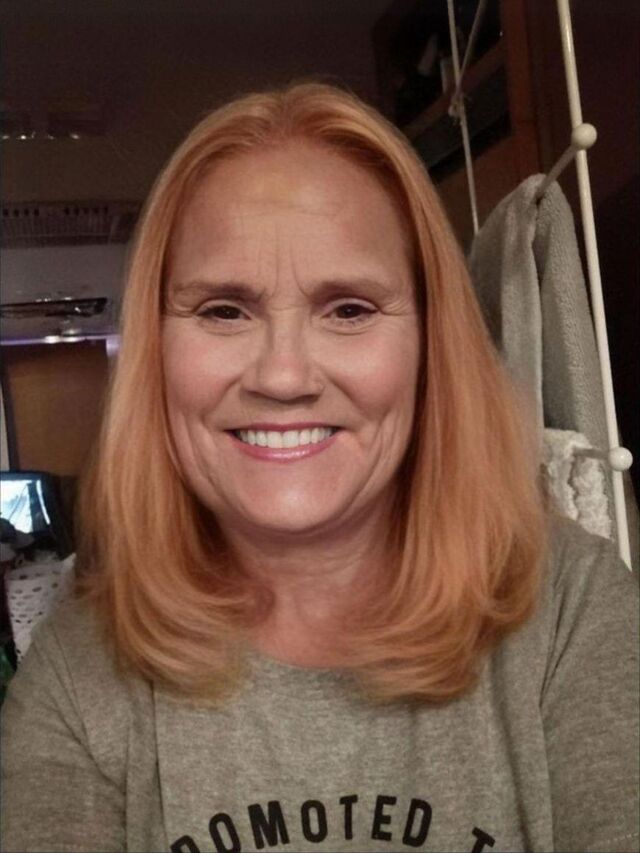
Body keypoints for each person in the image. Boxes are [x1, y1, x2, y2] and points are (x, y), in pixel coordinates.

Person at [1, 79, 637, 853]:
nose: (284, 375)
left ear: (431, 346)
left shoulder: (573, 611)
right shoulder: (78, 674)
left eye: (350, 309)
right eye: (224, 309)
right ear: (156, 356)